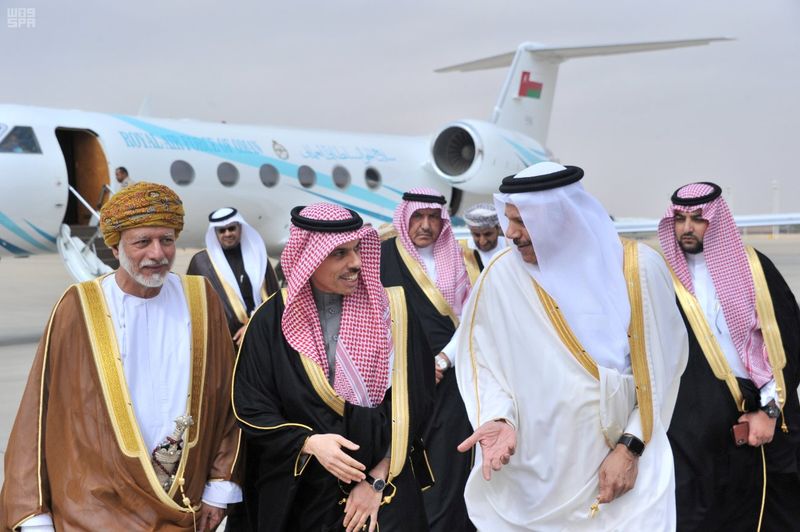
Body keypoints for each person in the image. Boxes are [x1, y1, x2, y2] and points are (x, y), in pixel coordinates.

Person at [454, 162, 688, 530]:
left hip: (621, 464)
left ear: (560, 215)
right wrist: (497, 417)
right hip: (531, 475)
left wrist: (631, 447)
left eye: (523, 220)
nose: (511, 233)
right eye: (508, 219)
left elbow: (663, 369)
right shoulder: (500, 275)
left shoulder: (637, 269)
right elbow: (480, 360)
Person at [0, 182, 242, 531]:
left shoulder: (201, 299)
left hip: (182, 500)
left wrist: (219, 488)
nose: (157, 253)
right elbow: (40, 409)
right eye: (142, 242)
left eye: (167, 240)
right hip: (93, 508)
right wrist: (34, 512)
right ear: (115, 247)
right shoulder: (79, 306)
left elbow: (227, 400)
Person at [232, 203, 435, 531]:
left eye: (357, 250)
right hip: (302, 497)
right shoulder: (269, 321)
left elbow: (416, 402)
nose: (356, 263)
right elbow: (251, 408)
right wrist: (308, 443)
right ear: (308, 258)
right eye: (340, 253)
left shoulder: (393, 312)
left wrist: (377, 480)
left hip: (382, 497)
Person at [658, 182, 800, 530]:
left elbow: (787, 341)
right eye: (679, 219)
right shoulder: (662, 277)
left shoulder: (754, 268)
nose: (687, 227)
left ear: (716, 219)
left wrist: (769, 411)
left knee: (769, 509)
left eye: (697, 218)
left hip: (757, 416)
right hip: (691, 426)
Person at [379, 187, 474, 532]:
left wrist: (443, 361)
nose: (425, 225)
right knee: (396, 464)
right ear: (405, 218)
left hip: (448, 384)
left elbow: (471, 320)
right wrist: (408, 368)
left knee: (447, 468)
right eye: (418, 216)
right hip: (396, 383)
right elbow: (371, 319)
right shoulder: (382, 256)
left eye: (433, 217)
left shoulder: (460, 259)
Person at [187, 207, 280, 346]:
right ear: (215, 233)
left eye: (231, 228)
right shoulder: (202, 263)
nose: (227, 233)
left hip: (263, 335)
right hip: (224, 343)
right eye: (222, 230)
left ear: (240, 228)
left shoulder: (258, 257)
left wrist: (252, 326)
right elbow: (194, 308)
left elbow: (275, 299)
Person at [460, 202, 507, 281]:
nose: (483, 241)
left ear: (498, 229)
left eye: (488, 234)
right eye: (476, 235)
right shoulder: (462, 251)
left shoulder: (509, 248)